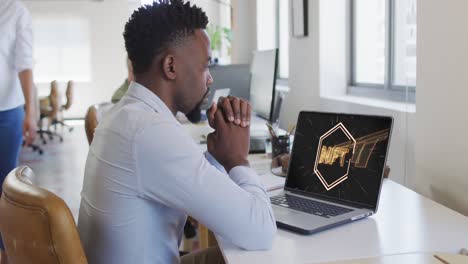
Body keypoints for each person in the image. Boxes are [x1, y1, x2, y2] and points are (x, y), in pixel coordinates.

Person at [77, 0, 276, 263]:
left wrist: (217, 156)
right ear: (170, 66)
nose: (210, 79)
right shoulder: (149, 132)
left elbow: (191, 183)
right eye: (205, 66)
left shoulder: (127, 115)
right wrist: (238, 159)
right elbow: (261, 232)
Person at [0, 0, 37, 263]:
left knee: (4, 188)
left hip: (7, 112)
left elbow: (24, 64)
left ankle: (5, 253)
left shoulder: (15, 11)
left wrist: (31, 112)